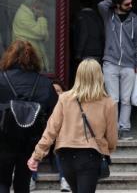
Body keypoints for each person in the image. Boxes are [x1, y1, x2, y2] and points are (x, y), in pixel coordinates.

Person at [28, 59, 117, 193]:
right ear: (100, 76)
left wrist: (37, 154)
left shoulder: (64, 98)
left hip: (65, 155)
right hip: (90, 155)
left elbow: (51, 129)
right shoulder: (108, 103)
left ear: (78, 75)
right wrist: (107, 149)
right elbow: (111, 136)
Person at [0, 40, 57, 192]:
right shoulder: (44, 83)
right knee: (23, 181)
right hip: (31, 139)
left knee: (2, 180)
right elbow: (55, 113)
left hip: (4, 137)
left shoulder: (1, 79)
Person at [98, 0, 137, 140]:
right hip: (110, 62)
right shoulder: (109, 16)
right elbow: (101, 5)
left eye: (131, 3)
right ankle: (112, 130)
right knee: (113, 99)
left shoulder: (134, 19)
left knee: (126, 100)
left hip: (129, 64)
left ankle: (124, 129)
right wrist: (115, 0)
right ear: (118, 4)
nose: (130, 5)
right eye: (126, 3)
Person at [11, 0, 49, 71]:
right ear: (34, 3)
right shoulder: (23, 16)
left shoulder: (30, 14)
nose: (41, 6)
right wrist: (41, 17)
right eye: (39, 1)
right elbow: (42, 33)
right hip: (28, 60)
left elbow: (45, 36)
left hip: (32, 59)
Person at [73, 0, 104, 64]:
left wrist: (78, 52)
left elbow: (83, 34)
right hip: (98, 52)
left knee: (86, 73)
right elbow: (103, 34)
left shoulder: (81, 16)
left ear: (81, 5)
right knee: (94, 73)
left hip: (86, 52)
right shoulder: (98, 16)